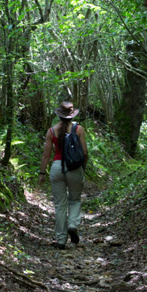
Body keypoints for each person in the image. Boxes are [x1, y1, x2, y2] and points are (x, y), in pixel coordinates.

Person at [38, 101, 88, 249]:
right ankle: (72, 224)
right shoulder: (78, 129)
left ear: (59, 115)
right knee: (75, 200)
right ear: (72, 115)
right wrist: (82, 169)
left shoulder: (51, 131)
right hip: (74, 168)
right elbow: (84, 152)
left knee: (60, 205)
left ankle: (60, 240)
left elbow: (46, 155)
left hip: (56, 168)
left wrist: (42, 173)